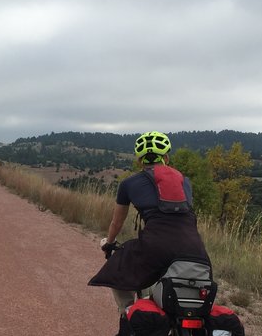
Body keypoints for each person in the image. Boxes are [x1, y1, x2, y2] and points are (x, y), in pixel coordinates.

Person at [88, 131, 210, 313]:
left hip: (155, 246)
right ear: (166, 158)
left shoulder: (128, 184)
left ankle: (128, 312)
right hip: (195, 247)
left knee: (119, 266)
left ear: (139, 161)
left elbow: (116, 223)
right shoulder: (185, 181)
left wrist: (110, 244)